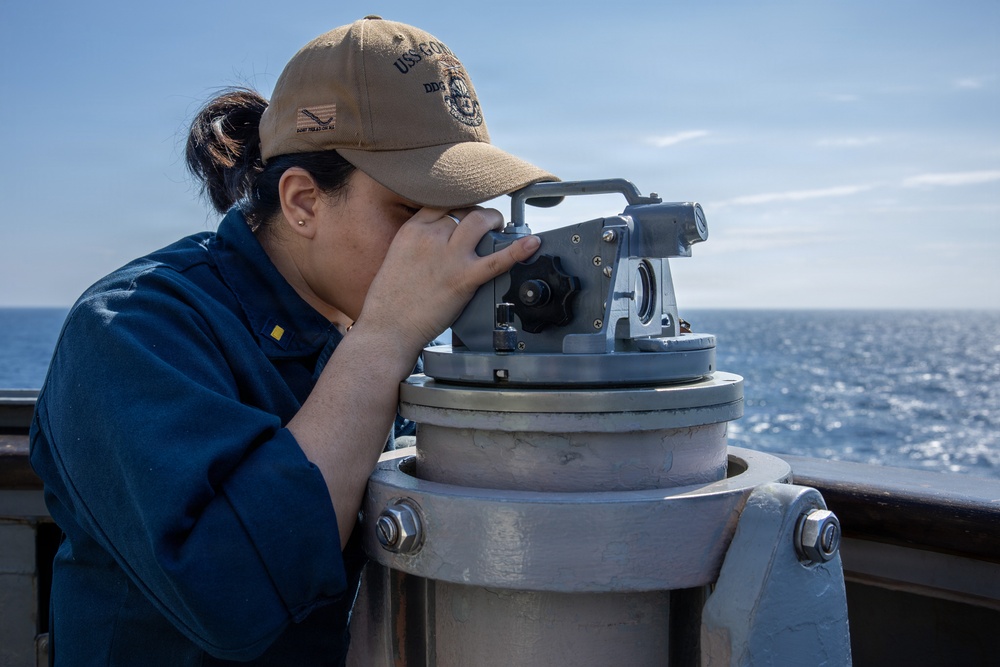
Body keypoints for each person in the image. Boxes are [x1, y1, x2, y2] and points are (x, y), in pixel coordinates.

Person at [29, 16, 555, 665]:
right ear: (303, 201)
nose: (444, 241)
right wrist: (385, 339)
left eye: (458, 211)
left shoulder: (366, 319)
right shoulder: (132, 330)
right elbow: (230, 593)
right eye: (411, 210)